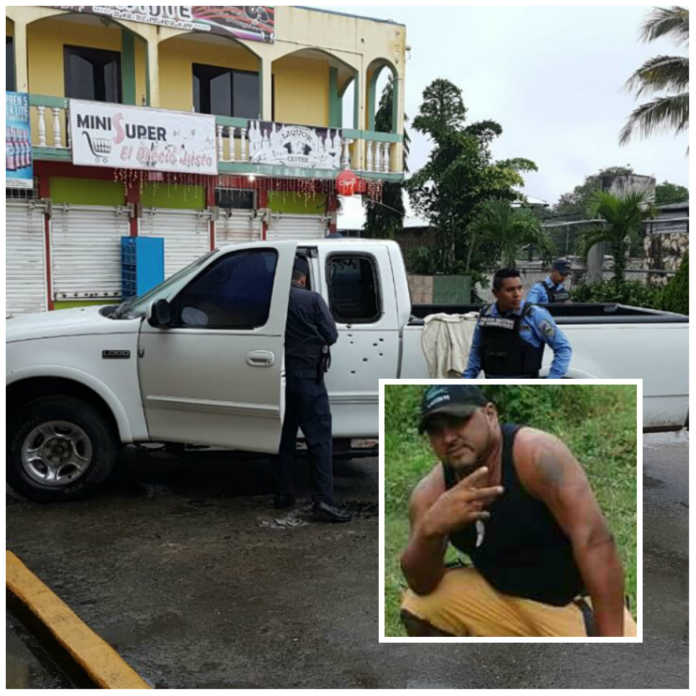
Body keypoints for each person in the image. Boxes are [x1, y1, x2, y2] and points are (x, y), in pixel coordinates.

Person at [399, 384, 637, 637]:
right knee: (419, 606)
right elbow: (421, 585)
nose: (448, 438)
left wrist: (611, 646)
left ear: (490, 414)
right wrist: (429, 531)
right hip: (500, 597)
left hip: (568, 603)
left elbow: (596, 544)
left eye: (458, 421)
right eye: (436, 431)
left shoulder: (536, 455)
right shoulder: (430, 494)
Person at [275, 255, 351, 523]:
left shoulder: (275, 302)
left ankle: (284, 494)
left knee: (287, 438)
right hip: (310, 379)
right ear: (303, 277)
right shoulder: (313, 299)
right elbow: (332, 336)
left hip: (285, 379)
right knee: (319, 441)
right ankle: (324, 503)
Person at [462, 268, 572, 378]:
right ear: (496, 293)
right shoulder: (486, 315)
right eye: (510, 290)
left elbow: (563, 348)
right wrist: (466, 380)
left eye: (520, 288)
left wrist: (552, 380)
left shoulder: (535, 315)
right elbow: (476, 350)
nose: (517, 294)